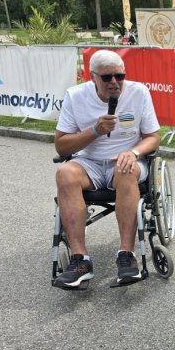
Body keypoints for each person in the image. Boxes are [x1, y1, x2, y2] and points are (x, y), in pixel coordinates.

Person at [53, 49, 160, 289]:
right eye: (107, 78)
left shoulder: (138, 92)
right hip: (88, 162)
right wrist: (94, 131)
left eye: (119, 76)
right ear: (92, 77)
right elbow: (61, 146)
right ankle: (80, 260)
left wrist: (132, 153)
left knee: (125, 170)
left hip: (125, 161)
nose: (115, 82)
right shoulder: (75, 96)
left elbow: (152, 137)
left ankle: (126, 255)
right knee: (64, 173)